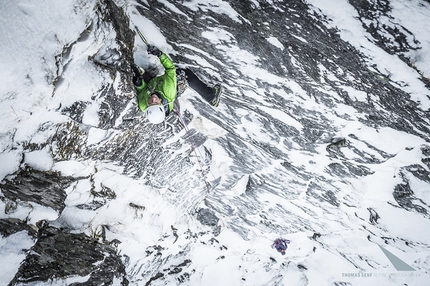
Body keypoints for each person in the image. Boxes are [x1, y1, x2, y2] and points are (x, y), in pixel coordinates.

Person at [132, 45, 222, 124]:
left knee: (146, 80)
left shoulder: (143, 105)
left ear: (147, 105)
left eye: (151, 102)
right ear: (161, 104)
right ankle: (211, 96)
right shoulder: (168, 89)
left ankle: (147, 73)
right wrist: (160, 54)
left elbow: (141, 91)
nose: (153, 99)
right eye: (156, 102)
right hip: (171, 88)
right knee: (184, 74)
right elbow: (171, 69)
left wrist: (139, 84)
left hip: (156, 85)